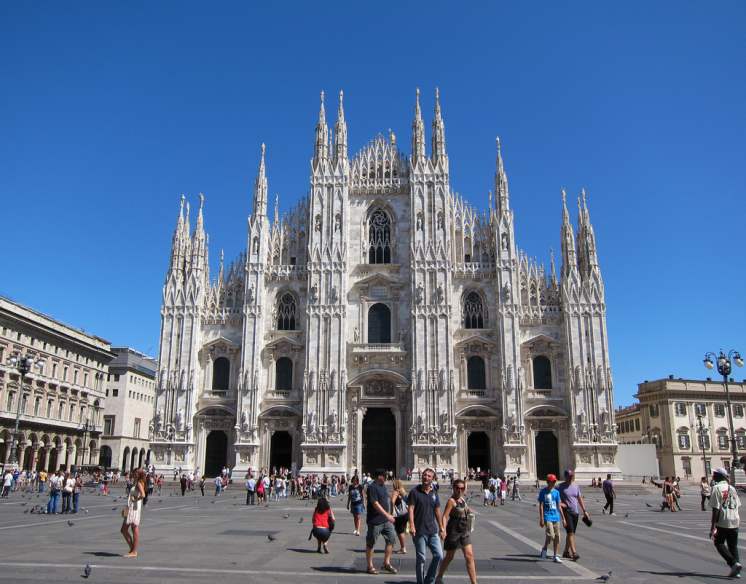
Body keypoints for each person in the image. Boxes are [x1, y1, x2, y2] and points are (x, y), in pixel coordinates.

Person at [435, 479, 477, 584]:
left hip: (464, 530)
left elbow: (466, 509)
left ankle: (474, 582)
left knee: (469, 556)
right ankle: (439, 576)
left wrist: (469, 511)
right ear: (453, 488)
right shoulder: (451, 501)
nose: (459, 490)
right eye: (457, 488)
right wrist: (443, 530)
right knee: (449, 556)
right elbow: (445, 516)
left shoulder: (462, 499)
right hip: (454, 530)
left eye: (462, 488)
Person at [408, 468, 444, 584]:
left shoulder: (434, 493)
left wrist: (442, 527)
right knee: (421, 558)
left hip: (432, 530)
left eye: (429, 476)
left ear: (432, 479)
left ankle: (429, 580)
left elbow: (437, 511)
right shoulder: (414, 492)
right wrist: (412, 525)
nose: (426, 477)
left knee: (439, 555)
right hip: (419, 530)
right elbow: (411, 509)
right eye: (424, 475)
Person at [709, 467, 742, 578]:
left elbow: (715, 509)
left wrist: (713, 527)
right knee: (733, 546)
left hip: (723, 520)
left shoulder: (716, 488)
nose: (713, 475)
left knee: (718, 543)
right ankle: (736, 571)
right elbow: (738, 505)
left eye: (715, 474)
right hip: (735, 520)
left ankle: (733, 563)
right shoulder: (731, 488)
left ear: (720, 476)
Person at [365, 469, 398, 575]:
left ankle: (386, 563)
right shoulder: (372, 488)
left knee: (391, 539)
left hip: (386, 521)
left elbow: (386, 500)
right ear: (379, 476)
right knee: (371, 543)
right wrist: (387, 515)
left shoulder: (383, 486)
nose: (386, 478)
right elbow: (375, 504)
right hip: (375, 521)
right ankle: (370, 566)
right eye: (385, 476)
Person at [558, 470, 589, 561]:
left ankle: (565, 552)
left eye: (572, 475)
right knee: (570, 532)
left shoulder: (576, 486)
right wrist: (560, 503)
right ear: (565, 476)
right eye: (569, 475)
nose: (571, 477)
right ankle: (574, 552)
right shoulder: (560, 487)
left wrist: (584, 511)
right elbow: (554, 495)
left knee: (571, 533)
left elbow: (579, 498)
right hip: (566, 512)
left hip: (575, 512)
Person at [538, 473, 566, 563]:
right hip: (547, 516)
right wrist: (541, 518)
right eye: (552, 481)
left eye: (555, 481)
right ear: (548, 482)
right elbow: (541, 505)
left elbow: (559, 506)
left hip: (556, 516)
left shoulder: (556, 492)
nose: (554, 483)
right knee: (551, 534)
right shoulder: (543, 492)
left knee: (557, 536)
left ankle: (554, 555)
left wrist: (563, 518)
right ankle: (545, 548)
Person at [121, 468, 146, 558]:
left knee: (133, 529)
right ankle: (132, 549)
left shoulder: (139, 483)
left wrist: (136, 499)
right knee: (124, 530)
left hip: (134, 508)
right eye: (134, 473)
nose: (134, 474)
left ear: (139, 474)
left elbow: (143, 495)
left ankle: (134, 551)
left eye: (136, 473)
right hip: (130, 507)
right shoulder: (135, 483)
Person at [391, 479, 408, 554]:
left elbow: (392, 501)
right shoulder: (403, 491)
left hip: (399, 515)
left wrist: (391, 511)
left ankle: (403, 548)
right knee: (402, 530)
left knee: (400, 531)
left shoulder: (396, 492)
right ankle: (403, 546)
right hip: (405, 513)